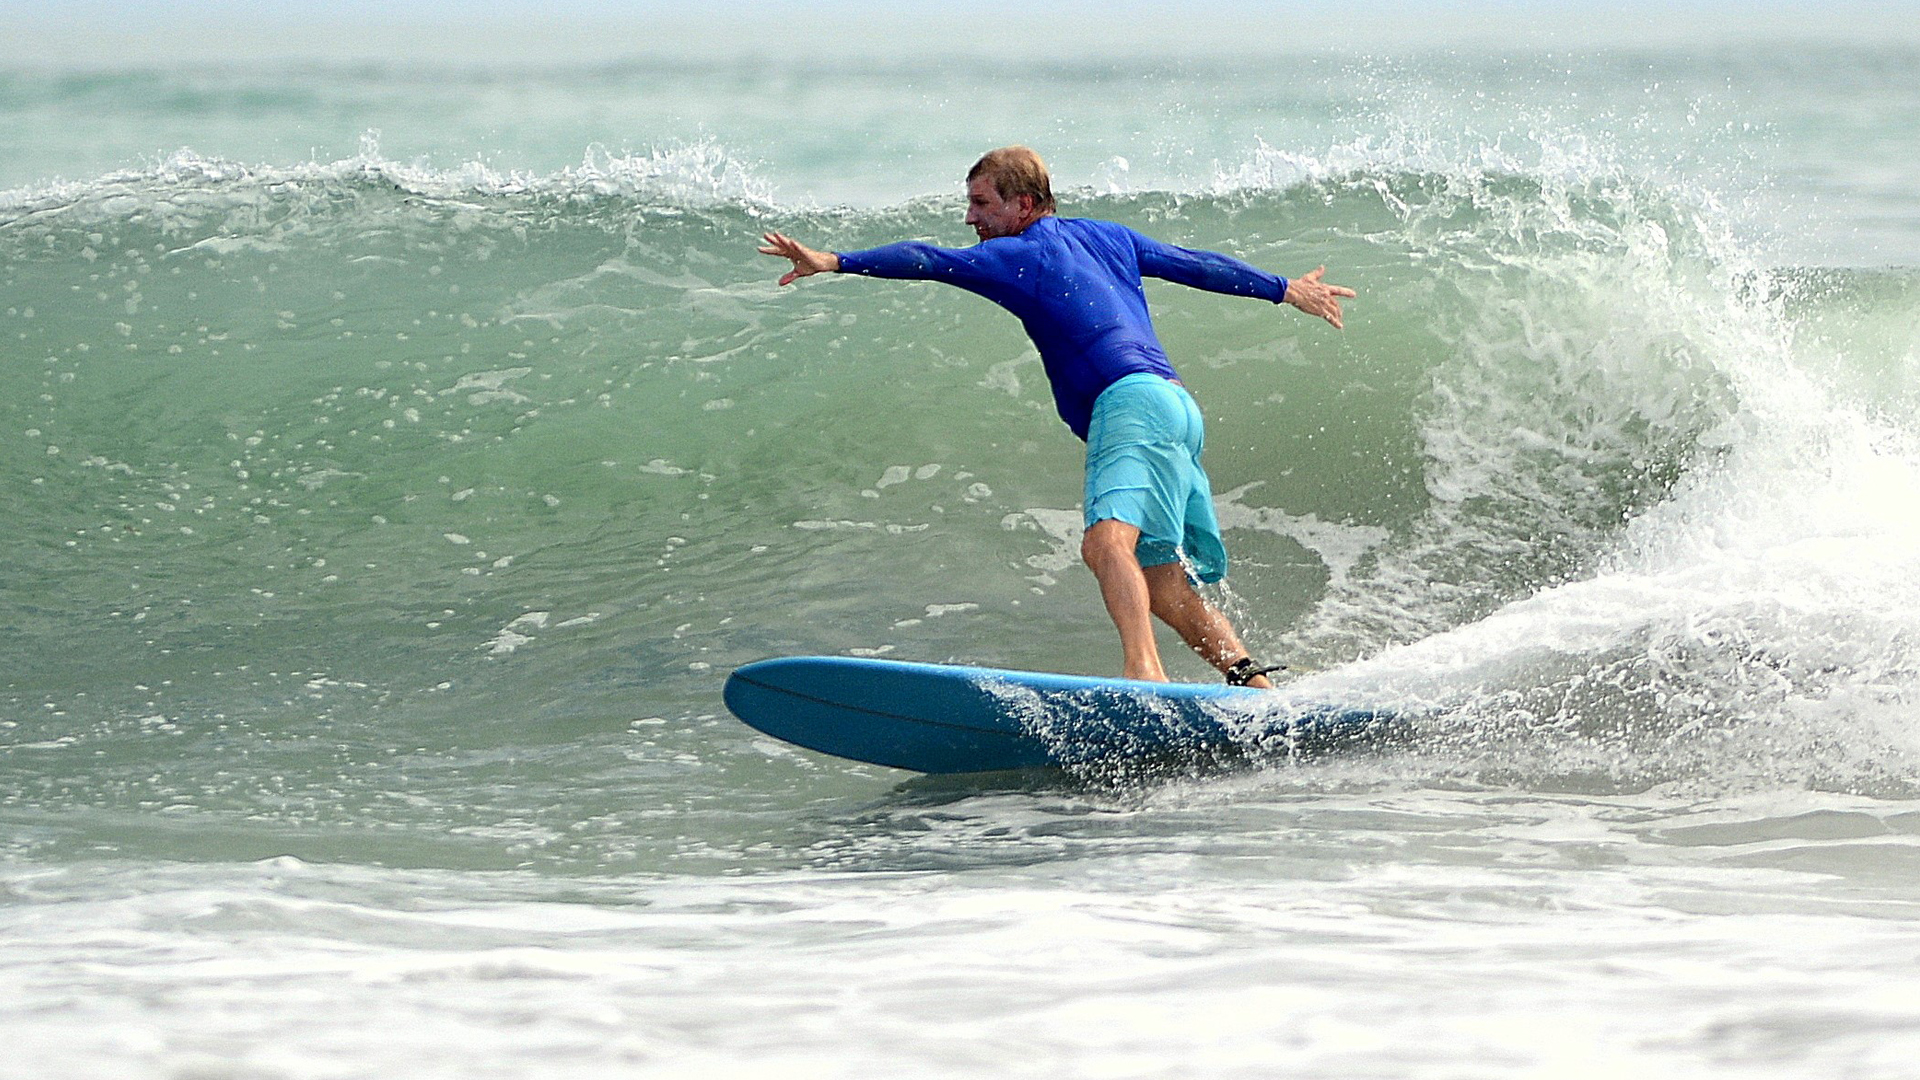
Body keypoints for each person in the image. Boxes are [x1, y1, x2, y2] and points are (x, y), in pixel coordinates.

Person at [759, 146, 1353, 689]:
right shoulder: (1106, 236)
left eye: (980, 203)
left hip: (1129, 405)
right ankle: (1253, 684)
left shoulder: (1016, 254)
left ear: (1023, 204)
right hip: (1174, 406)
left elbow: (928, 260)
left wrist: (835, 260)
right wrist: (1283, 289)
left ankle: (1144, 672)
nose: (970, 219)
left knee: (1105, 544)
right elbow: (1193, 264)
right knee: (1163, 581)